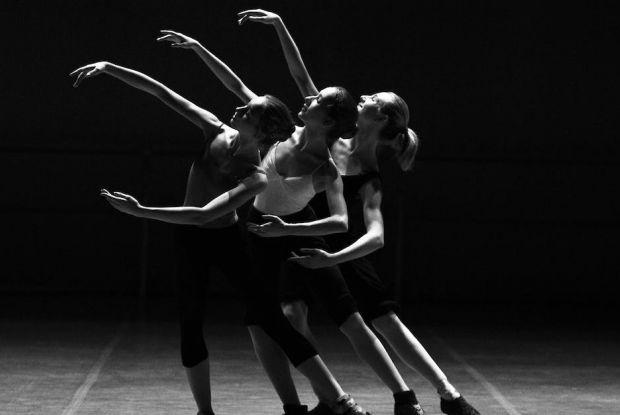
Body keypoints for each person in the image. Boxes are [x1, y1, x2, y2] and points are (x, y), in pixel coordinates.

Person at [71, 55, 367, 415]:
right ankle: (205, 412)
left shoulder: (255, 174)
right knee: (191, 322)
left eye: (249, 111)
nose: (239, 108)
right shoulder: (214, 128)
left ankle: (337, 400)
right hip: (189, 242)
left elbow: (205, 214)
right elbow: (163, 93)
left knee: (270, 318)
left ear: (259, 130)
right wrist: (109, 68)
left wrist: (141, 211)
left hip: (226, 242)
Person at [156, 28, 425, 415]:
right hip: (262, 232)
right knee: (263, 322)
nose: (308, 97)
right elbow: (241, 83)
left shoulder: (326, 165)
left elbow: (337, 222)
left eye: (317, 100)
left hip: (297, 230)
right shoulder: (280, 131)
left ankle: (402, 397)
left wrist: (290, 231)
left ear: (329, 119)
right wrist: (201, 47)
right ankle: (301, 405)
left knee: (347, 316)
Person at [237, 9, 481, 415]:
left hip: (340, 247)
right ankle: (328, 399)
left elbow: (376, 235)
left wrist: (336, 256)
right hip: (302, 235)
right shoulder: (330, 139)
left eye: (370, 100)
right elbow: (301, 78)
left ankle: (443, 395)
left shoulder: (369, 175)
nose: (362, 98)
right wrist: (280, 25)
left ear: (380, 117)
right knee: (291, 312)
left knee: (381, 322)